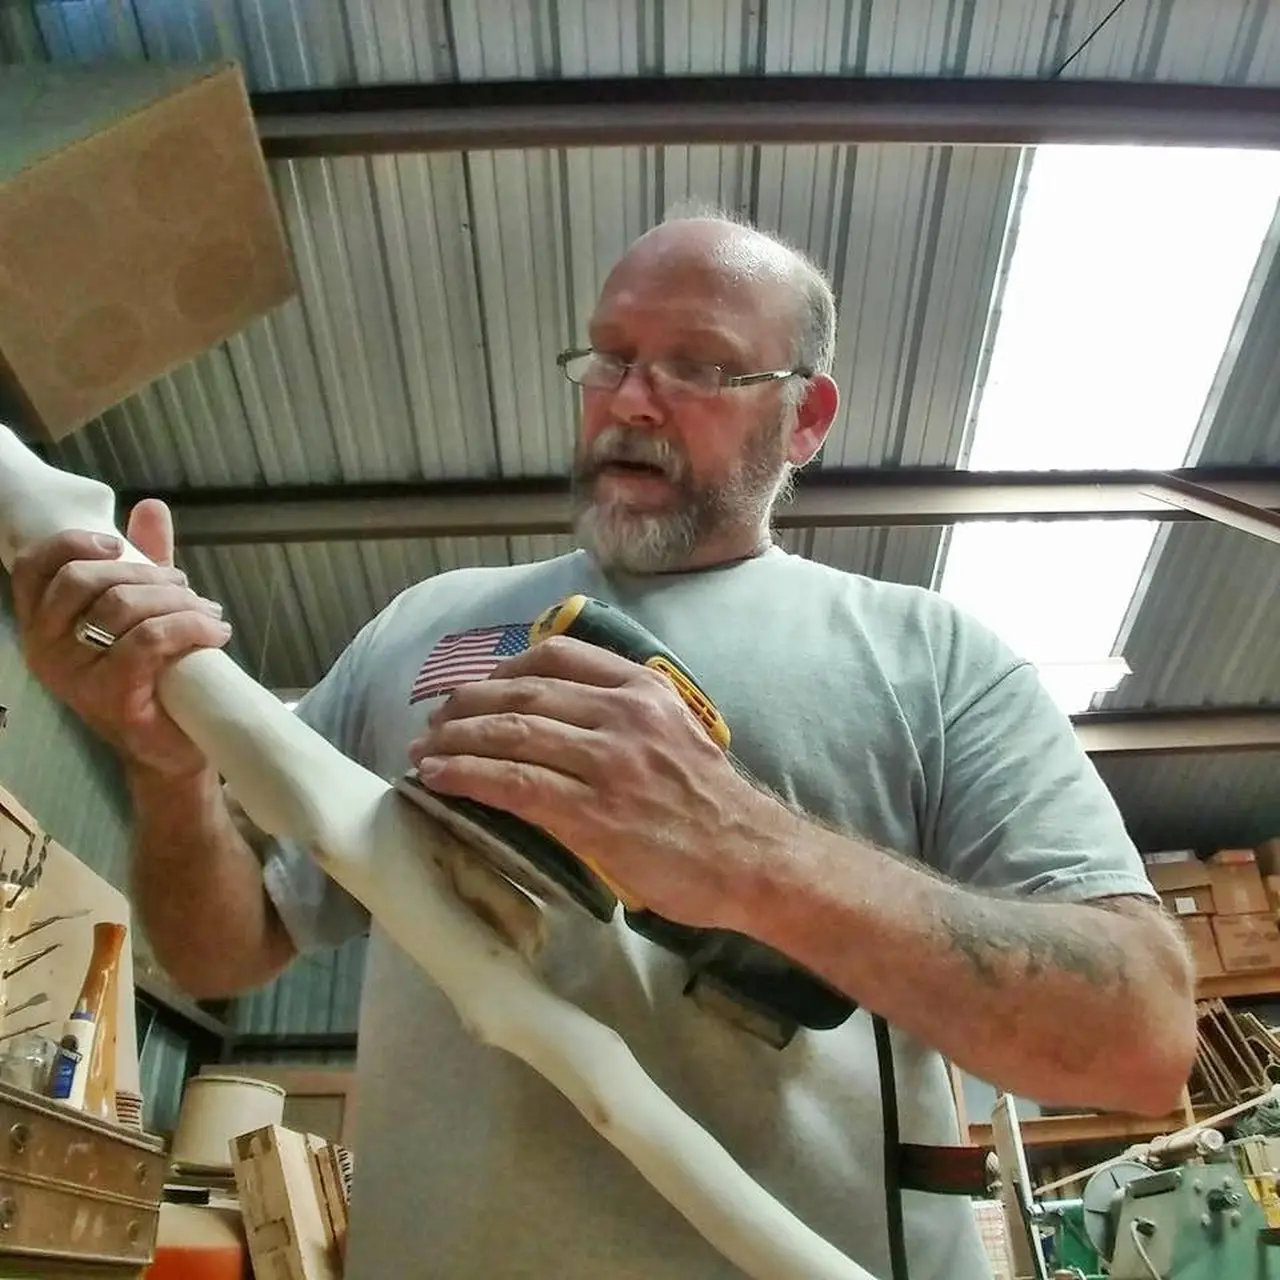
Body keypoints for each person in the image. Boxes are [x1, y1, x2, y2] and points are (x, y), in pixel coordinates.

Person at [12, 211, 1196, 1280]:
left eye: (697, 365)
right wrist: (166, 768)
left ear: (808, 416)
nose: (631, 399)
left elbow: (1137, 1039)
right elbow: (225, 949)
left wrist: (744, 849)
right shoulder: (420, 623)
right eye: (610, 357)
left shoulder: (928, 656)